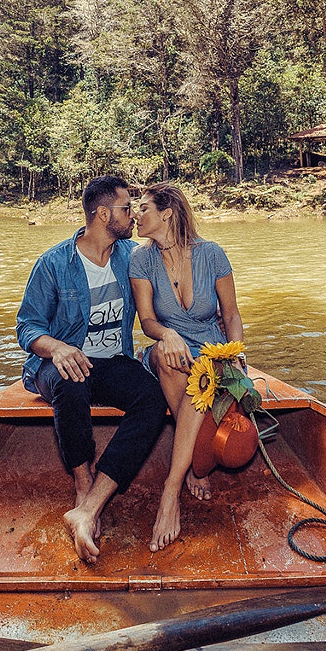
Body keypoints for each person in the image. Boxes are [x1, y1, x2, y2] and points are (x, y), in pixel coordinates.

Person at [15, 175, 166, 564]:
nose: (132, 214)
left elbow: (172, 266)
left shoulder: (131, 257)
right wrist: (58, 348)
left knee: (151, 397)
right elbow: (28, 326)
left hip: (112, 363)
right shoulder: (53, 263)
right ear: (102, 214)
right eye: (125, 208)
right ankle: (82, 485)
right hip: (57, 364)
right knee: (72, 379)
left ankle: (90, 506)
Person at [130, 182, 245, 553]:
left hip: (212, 353)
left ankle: (180, 470)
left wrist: (238, 354)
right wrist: (167, 334)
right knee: (168, 356)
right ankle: (177, 485)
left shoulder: (212, 254)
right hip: (168, 351)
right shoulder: (140, 259)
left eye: (142, 208)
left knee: (205, 369)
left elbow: (230, 314)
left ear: (167, 213)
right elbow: (146, 321)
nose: (134, 214)